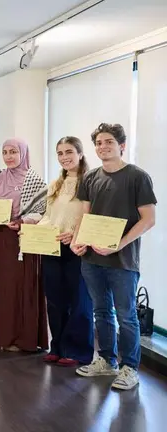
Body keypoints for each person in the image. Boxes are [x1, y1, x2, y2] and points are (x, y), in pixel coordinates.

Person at [72, 123, 156, 391]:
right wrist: (77, 240)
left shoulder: (137, 177)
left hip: (123, 261)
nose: (102, 147)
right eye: (98, 143)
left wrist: (119, 244)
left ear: (121, 145)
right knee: (101, 312)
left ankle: (129, 367)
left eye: (108, 142)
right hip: (92, 261)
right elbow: (85, 216)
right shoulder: (91, 178)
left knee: (127, 315)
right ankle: (107, 361)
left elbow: (148, 220)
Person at [0, 139, 48, 352]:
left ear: (23, 153)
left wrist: (22, 222)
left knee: (22, 288)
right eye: (5, 152)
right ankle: (1, 336)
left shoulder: (35, 180)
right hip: (2, 239)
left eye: (13, 152)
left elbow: (43, 211)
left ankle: (23, 339)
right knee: (4, 287)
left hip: (24, 240)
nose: (9, 156)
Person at [38, 136, 93, 367]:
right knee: (55, 299)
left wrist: (75, 234)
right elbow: (48, 217)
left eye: (69, 152)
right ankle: (57, 347)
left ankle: (77, 351)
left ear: (80, 153)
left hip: (77, 248)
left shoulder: (90, 182)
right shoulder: (55, 185)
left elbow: (91, 216)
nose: (64, 157)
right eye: (59, 153)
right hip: (52, 246)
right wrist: (36, 231)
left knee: (79, 300)